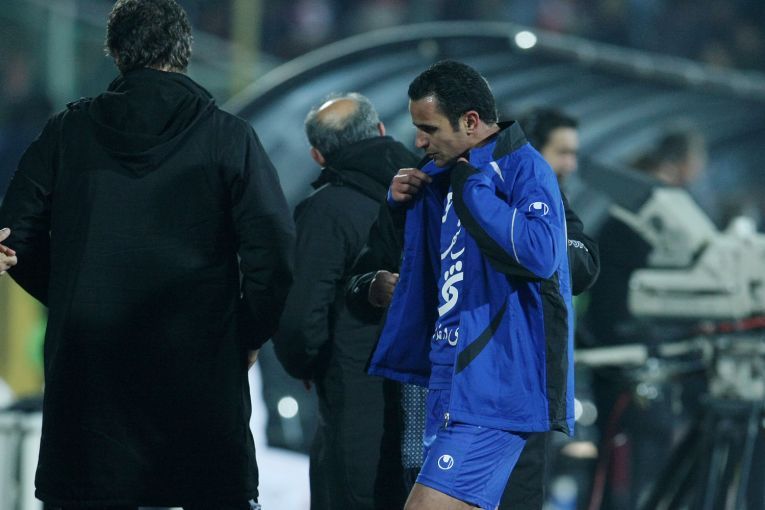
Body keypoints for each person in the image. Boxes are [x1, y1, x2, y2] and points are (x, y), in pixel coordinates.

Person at [0, 1, 295, 508]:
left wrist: (76, 296)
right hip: (200, 370)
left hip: (91, 375)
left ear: (116, 52)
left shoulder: (67, 133)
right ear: (185, 50)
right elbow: (274, 250)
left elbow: (13, 233)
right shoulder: (228, 137)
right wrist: (245, 333)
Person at [366, 60, 575, 510]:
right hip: (448, 381)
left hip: (493, 392)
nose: (419, 141)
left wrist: (472, 187)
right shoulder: (443, 174)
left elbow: (541, 253)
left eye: (429, 128)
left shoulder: (523, 168)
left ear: (471, 121)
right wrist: (398, 206)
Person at [272, 93, 418, 510]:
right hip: (432, 404)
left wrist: (307, 363)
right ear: (381, 130)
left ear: (318, 156)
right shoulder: (435, 192)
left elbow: (300, 319)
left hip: (357, 396)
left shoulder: (326, 211)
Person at [584, 127, 707, 509]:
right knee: (632, 471)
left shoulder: (621, 221)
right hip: (631, 362)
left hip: (629, 356)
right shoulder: (642, 225)